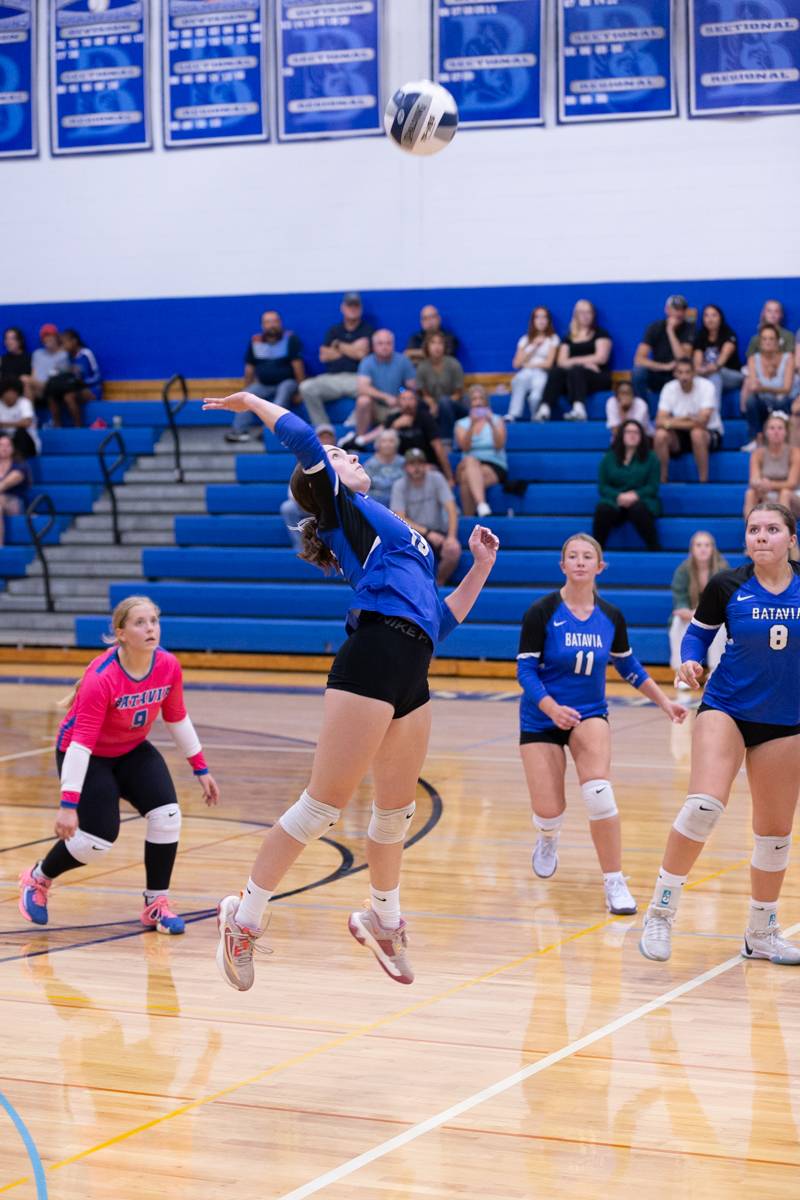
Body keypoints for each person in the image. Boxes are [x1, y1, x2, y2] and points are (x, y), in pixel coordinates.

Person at [201, 389, 499, 991]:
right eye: (340, 454)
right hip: (373, 654)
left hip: (413, 659)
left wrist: (479, 569)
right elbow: (306, 442)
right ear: (324, 480)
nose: (347, 455)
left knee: (396, 813)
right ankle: (245, 915)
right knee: (321, 808)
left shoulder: (392, 528)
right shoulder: (343, 509)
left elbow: (438, 621)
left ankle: (382, 920)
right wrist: (256, 402)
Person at [640, 502, 800, 966]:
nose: (762, 537)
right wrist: (690, 660)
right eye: (754, 530)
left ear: (791, 538)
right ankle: (661, 912)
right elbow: (696, 636)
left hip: (784, 720)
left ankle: (762, 932)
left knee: (774, 834)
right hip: (727, 706)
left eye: (773, 529)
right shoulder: (726, 585)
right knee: (703, 806)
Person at [17, 596, 220, 932]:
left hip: (131, 749)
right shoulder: (102, 677)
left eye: (154, 620)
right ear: (121, 632)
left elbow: (177, 717)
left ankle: (156, 903)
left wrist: (201, 769)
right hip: (87, 754)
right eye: (140, 622)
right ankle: (37, 878)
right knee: (94, 842)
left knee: (167, 816)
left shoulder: (168, 665)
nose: (150, 628)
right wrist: (68, 806)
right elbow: (81, 744)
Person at [517, 533, 685, 915]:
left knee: (599, 795)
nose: (579, 561)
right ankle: (547, 835)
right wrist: (550, 707)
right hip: (541, 716)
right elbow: (525, 669)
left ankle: (614, 882)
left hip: (590, 713)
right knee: (549, 809)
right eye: (572, 556)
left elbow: (628, 665)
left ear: (599, 566)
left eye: (587, 556)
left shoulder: (610, 616)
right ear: (562, 566)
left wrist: (663, 702)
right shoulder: (541, 612)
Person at [226, 310, 305, 443]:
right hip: (263, 384)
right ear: (263, 325)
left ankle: (268, 432)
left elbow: (298, 366)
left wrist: (300, 390)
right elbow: (249, 368)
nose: (272, 325)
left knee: (284, 391)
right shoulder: (255, 341)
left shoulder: (290, 338)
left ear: (280, 323)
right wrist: (246, 389)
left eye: (275, 321)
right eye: (268, 322)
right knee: (247, 395)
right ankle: (238, 431)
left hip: (287, 382)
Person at [298, 292, 373, 428]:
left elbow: (361, 354)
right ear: (343, 308)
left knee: (375, 390)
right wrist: (353, 349)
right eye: (350, 305)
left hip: (357, 378)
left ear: (361, 308)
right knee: (306, 387)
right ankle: (323, 429)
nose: (353, 309)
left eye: (356, 306)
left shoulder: (367, 329)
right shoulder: (334, 330)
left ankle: (351, 428)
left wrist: (338, 345)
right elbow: (324, 356)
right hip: (332, 379)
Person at [390, 448, 461, 585]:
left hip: (439, 532)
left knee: (453, 550)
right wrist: (427, 533)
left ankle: (438, 583)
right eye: (412, 464)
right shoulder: (399, 485)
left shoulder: (437, 478)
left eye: (420, 464)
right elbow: (400, 517)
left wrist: (452, 537)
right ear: (405, 467)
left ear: (426, 465)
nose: (416, 468)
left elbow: (451, 508)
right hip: (413, 535)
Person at [669, 532, 729, 679]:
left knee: (720, 625)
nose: (703, 549)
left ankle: (716, 672)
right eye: (699, 545)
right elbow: (679, 598)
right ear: (692, 549)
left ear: (713, 549)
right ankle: (683, 673)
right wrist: (688, 612)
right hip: (690, 615)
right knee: (677, 622)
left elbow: (726, 600)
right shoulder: (683, 570)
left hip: (716, 616)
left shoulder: (723, 569)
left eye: (707, 545)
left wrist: (704, 613)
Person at [593, 420, 661, 550]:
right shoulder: (608, 458)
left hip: (642, 501)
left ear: (642, 436)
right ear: (621, 435)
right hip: (615, 502)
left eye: (636, 432)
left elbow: (653, 487)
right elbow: (603, 487)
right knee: (603, 510)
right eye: (628, 432)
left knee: (638, 509)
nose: (632, 435)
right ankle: (596, 551)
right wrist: (618, 496)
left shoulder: (652, 458)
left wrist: (636, 495)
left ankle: (654, 548)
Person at [540, 299, 612, 422]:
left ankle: (579, 408)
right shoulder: (568, 337)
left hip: (597, 376)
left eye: (588, 312)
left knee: (576, 370)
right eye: (581, 312)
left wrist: (573, 361)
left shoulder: (601, 334)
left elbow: (601, 358)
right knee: (556, 371)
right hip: (573, 378)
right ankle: (545, 408)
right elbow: (561, 361)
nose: (585, 316)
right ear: (575, 315)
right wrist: (585, 362)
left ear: (593, 315)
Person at [654, 358, 723, 484]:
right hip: (680, 434)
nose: (684, 376)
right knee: (660, 435)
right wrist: (684, 418)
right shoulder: (669, 388)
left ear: (694, 373)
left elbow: (702, 423)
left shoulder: (707, 386)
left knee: (696, 433)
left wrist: (670, 421)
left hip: (709, 432)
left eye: (687, 372)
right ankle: (661, 481)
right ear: (675, 373)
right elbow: (659, 421)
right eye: (680, 372)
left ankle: (703, 481)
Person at [739, 324, 796, 451]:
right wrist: (769, 389)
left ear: (777, 341)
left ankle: (784, 441)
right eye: (764, 339)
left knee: (783, 400)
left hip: (783, 402)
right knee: (751, 400)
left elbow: (787, 388)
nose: (768, 342)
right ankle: (755, 439)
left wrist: (763, 388)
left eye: (771, 339)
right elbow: (753, 387)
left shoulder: (788, 358)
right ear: (760, 342)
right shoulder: (753, 359)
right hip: (762, 403)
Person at [632, 295, 695, 411]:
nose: (678, 313)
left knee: (684, 372)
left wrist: (671, 332)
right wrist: (664, 367)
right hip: (659, 371)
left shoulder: (689, 328)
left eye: (682, 309)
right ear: (667, 310)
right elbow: (639, 359)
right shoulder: (654, 327)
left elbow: (683, 359)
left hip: (677, 373)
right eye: (675, 309)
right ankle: (644, 411)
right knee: (638, 373)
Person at [454, 384, 509, 517]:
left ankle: (469, 518)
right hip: (468, 463)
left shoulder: (497, 420)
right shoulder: (462, 423)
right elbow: (465, 447)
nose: (478, 402)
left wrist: (490, 423)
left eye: (481, 398)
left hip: (493, 464)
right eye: (474, 399)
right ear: (470, 403)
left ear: (486, 402)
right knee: (470, 461)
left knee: (467, 479)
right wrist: (472, 424)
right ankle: (482, 504)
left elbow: (499, 445)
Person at [280, 424, 337, 547]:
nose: (325, 440)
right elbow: (293, 491)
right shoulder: (305, 459)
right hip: (308, 503)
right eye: (322, 437)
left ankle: (333, 548)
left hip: (331, 505)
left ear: (334, 440)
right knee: (288, 507)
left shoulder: (341, 459)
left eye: (328, 437)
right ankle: (301, 547)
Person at [354, 329, 416, 437]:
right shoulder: (367, 362)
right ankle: (359, 440)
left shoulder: (403, 361)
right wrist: (385, 397)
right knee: (363, 400)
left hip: (398, 405)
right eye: (380, 343)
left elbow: (413, 386)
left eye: (388, 343)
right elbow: (362, 388)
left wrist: (403, 397)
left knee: (411, 402)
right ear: (374, 346)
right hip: (376, 406)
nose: (385, 347)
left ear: (393, 344)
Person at [507, 306, 560, 422]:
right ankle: (513, 414)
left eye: (544, 317)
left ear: (548, 320)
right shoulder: (525, 340)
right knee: (518, 381)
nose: (541, 320)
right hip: (526, 373)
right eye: (537, 317)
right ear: (533, 321)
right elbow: (516, 364)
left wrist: (530, 365)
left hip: (542, 373)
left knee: (535, 397)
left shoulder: (553, 339)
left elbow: (549, 363)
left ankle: (535, 416)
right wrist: (533, 346)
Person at [743, 412, 800, 518]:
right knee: (750, 493)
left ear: (786, 432)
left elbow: (792, 483)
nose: (776, 432)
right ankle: (750, 529)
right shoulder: (758, 454)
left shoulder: (795, 452)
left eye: (780, 428)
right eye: (772, 428)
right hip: (767, 493)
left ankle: (783, 529)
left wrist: (771, 485)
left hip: (794, 495)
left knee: (785, 493)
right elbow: (753, 480)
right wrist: (759, 484)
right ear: (766, 432)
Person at [44, 329, 102, 427]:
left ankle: (78, 426)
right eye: (62, 343)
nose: (64, 345)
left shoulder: (86, 354)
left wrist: (82, 382)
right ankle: (57, 425)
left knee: (69, 396)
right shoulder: (67, 357)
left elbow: (97, 376)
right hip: (75, 389)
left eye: (65, 342)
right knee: (53, 394)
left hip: (92, 390)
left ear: (74, 341)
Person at [415, 330, 466, 439]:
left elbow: (458, 394)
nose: (437, 347)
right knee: (417, 404)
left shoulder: (454, 364)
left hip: (454, 405)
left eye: (440, 343)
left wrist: (441, 406)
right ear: (427, 346)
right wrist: (432, 403)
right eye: (433, 343)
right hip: (432, 405)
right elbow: (423, 394)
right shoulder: (422, 367)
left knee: (444, 402)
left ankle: (447, 440)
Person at [692, 304, 743, 409]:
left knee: (715, 375)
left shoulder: (729, 335)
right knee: (692, 376)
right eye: (707, 316)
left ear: (720, 317)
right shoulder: (700, 336)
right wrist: (699, 370)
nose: (710, 319)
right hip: (708, 374)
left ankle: (713, 417)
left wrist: (704, 370)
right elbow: (697, 364)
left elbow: (719, 363)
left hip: (732, 375)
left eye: (714, 315)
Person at [0, 433, 30, 547]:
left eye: (8, 445)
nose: (4, 448)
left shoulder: (19, 467)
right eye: (1, 445)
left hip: (16, 504)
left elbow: (3, 485)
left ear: (13, 448)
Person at [362, 428, 405, 507]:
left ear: (396, 443)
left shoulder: (403, 462)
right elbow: (365, 489)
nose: (387, 444)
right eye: (384, 441)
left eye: (391, 441)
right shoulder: (369, 465)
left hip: (401, 503)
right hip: (377, 505)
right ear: (378, 444)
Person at [29, 324, 69, 407]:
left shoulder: (64, 355)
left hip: (54, 388)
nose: (47, 339)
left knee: (25, 380)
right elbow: (33, 374)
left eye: (50, 336)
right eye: (45, 337)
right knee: (26, 383)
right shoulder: (37, 354)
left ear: (57, 338)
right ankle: (31, 417)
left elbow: (62, 377)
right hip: (37, 389)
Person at [0, 377, 40, 458]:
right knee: (4, 439)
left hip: (27, 443)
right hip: (5, 441)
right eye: (8, 392)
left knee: (20, 433)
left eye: (14, 392)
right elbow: (22, 422)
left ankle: (19, 464)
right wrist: (18, 423)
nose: (11, 395)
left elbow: (27, 423)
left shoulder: (24, 402)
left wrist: (3, 424)